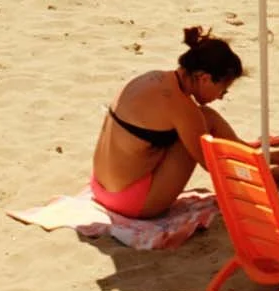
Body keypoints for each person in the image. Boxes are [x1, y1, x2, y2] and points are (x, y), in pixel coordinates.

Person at [91, 26, 256, 219]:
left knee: (199, 120)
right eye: (223, 90)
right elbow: (215, 167)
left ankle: (249, 154)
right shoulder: (182, 107)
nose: (221, 97)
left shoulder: (153, 79)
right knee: (203, 125)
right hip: (130, 202)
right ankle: (254, 161)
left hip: (100, 188)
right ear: (204, 78)